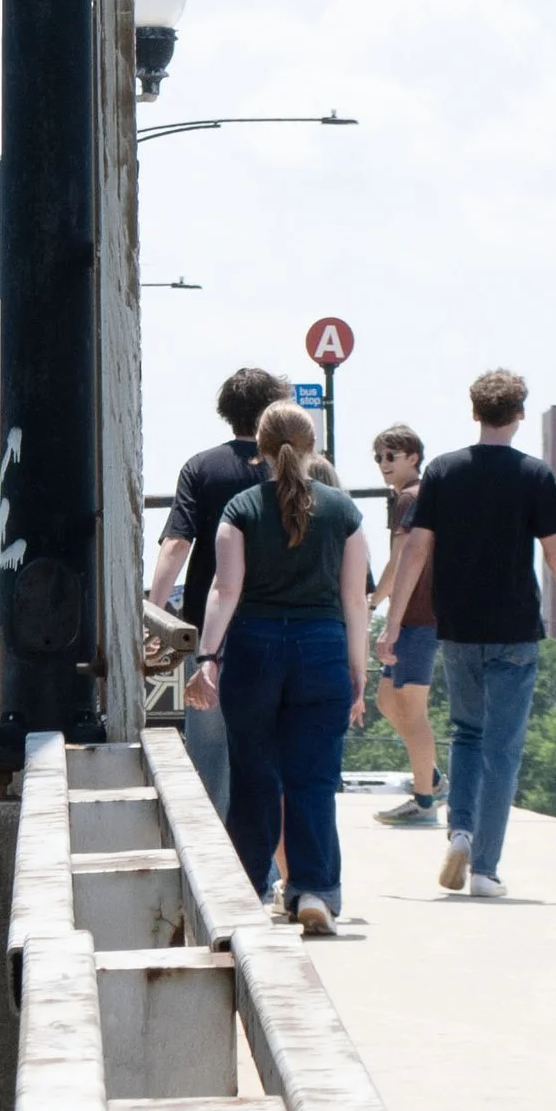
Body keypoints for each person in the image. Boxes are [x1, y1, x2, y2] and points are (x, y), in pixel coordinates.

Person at [382, 370, 556, 898]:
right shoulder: (533, 474)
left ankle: (459, 829)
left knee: (466, 733)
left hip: (458, 627)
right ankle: (485, 868)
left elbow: (416, 550)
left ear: (474, 412)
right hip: (514, 628)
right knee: (503, 748)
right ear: (519, 415)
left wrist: (393, 623)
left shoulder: (442, 471)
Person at [184, 401, 369, 937]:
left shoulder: (240, 508)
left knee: (255, 775)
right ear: (312, 447)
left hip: (255, 648)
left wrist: (208, 659)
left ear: (259, 451)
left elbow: (225, 591)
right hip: (323, 648)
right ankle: (313, 890)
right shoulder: (344, 512)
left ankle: (249, 892)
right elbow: (354, 601)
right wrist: (358, 671)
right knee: (313, 777)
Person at [151, 368, 291, 814]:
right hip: (277, 623)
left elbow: (176, 544)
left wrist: (155, 615)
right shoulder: (289, 470)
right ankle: (264, 865)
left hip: (205, 628)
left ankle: (213, 856)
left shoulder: (200, 467)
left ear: (226, 412)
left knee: (208, 751)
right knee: (268, 746)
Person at [368, 423, 443, 825]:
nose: (383, 464)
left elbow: (399, 563)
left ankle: (424, 801)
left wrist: (373, 603)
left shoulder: (409, 500)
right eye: (379, 457)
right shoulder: (417, 496)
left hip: (417, 620)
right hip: (416, 619)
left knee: (412, 711)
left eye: (391, 456)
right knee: (385, 700)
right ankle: (427, 772)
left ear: (413, 457)